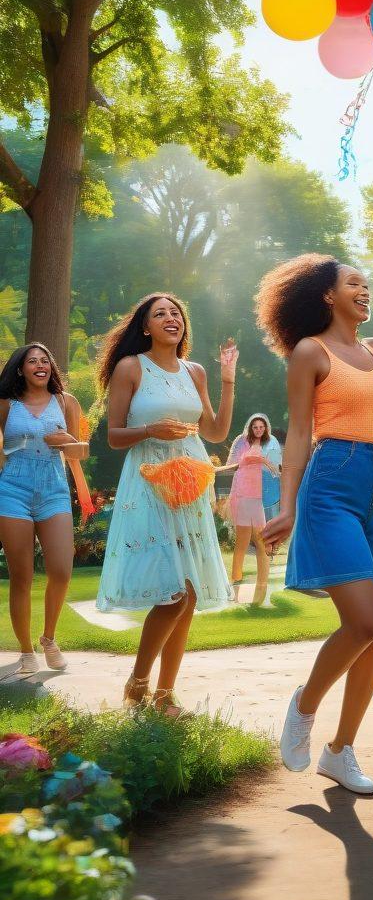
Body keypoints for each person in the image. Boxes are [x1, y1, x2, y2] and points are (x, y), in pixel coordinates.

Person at [258, 253, 373, 796]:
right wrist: (288, 505)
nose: (365, 291)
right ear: (326, 295)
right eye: (354, 284)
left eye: (367, 285)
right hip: (332, 484)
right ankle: (304, 706)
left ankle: (340, 751)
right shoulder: (309, 353)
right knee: (362, 623)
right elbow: (297, 433)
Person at [95, 293, 237, 716]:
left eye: (176, 312)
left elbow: (214, 432)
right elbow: (114, 436)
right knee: (173, 594)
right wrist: (150, 429)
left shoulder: (196, 372)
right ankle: (137, 684)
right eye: (160, 314)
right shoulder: (130, 367)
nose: (170, 318)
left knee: (189, 595)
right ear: (145, 326)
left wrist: (228, 380)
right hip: (148, 481)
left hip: (190, 484)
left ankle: (165, 696)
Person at [0, 343, 88, 676]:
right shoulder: (7, 406)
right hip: (13, 490)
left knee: (62, 571)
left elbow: (80, 452)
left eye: (45, 360)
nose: (41, 365)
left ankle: (49, 638)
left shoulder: (67, 402)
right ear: (20, 369)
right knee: (21, 577)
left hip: (53, 490)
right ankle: (26, 651)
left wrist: (66, 441)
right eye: (32, 361)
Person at [218, 414, 279, 605]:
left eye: (262, 427)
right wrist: (251, 461)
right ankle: (235, 584)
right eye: (255, 427)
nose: (259, 430)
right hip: (243, 495)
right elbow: (232, 465)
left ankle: (261, 589)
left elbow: (277, 470)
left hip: (260, 499)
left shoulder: (271, 444)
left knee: (262, 541)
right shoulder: (241, 442)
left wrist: (264, 463)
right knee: (241, 541)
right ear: (251, 428)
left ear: (266, 428)